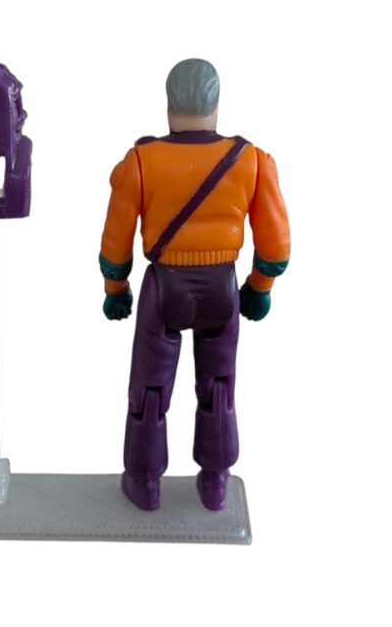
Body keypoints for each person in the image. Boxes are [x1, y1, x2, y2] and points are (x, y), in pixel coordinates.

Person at [99, 58, 290, 511]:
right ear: (216, 104)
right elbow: (276, 241)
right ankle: (215, 482)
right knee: (219, 386)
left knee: (149, 390)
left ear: (168, 104)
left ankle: (144, 482)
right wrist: (260, 286)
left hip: (164, 288)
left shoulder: (141, 161)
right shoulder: (251, 160)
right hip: (222, 288)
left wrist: (115, 289)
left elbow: (115, 238)